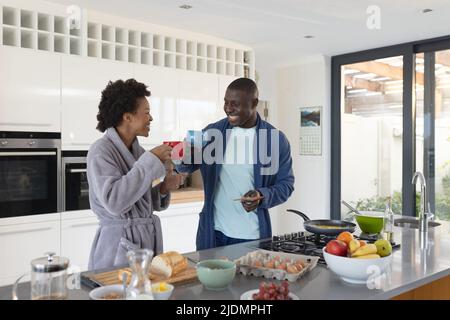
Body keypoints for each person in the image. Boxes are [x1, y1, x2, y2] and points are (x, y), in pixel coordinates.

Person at [177, 78, 294, 250]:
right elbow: (184, 167)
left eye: (235, 104)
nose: (228, 108)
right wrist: (186, 154)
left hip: (251, 238)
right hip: (213, 234)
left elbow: (286, 186)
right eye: (226, 102)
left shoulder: (275, 140)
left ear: (254, 103)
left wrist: (262, 195)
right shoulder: (212, 132)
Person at [87, 79, 186, 270]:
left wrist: (164, 187)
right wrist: (151, 160)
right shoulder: (101, 151)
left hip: (145, 240)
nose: (151, 119)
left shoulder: (138, 153)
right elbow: (115, 202)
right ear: (128, 117)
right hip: (118, 245)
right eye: (147, 113)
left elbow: (142, 201)